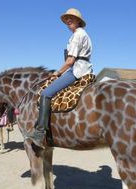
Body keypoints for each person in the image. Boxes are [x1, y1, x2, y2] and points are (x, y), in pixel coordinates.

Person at [32, 8, 93, 148]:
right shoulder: (83, 34)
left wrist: (57, 73)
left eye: (71, 18)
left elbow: (70, 61)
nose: (68, 21)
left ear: (78, 21)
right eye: (67, 19)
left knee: (46, 93)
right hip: (84, 68)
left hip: (77, 70)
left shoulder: (78, 35)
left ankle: (40, 132)